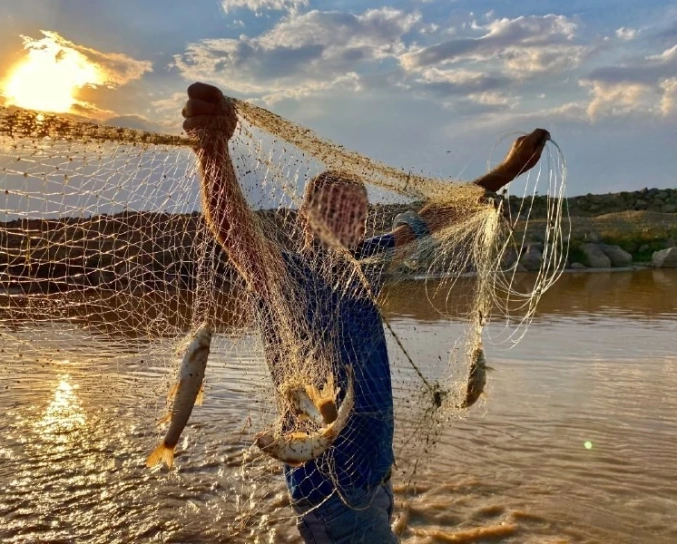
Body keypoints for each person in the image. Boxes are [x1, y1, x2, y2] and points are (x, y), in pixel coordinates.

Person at [181, 82, 548, 543]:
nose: (346, 222)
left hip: (372, 475)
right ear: (304, 218)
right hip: (329, 492)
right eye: (332, 210)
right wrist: (212, 149)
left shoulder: (366, 263)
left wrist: (507, 170)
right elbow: (232, 226)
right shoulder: (284, 274)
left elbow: (434, 216)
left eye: (356, 213)